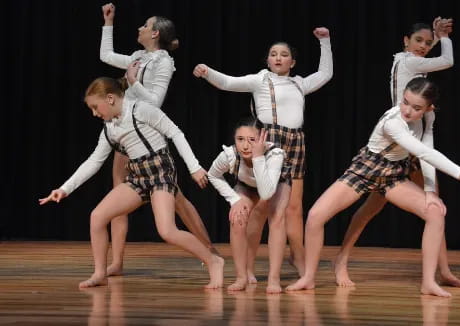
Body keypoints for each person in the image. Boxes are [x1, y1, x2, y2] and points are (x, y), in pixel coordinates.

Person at [286, 77, 460, 297]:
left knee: (435, 212)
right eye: (405, 102)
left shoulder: (428, 117)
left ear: (429, 108)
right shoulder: (393, 121)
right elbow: (424, 153)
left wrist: (430, 192)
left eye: (416, 107)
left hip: (394, 173)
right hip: (368, 168)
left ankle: (429, 282)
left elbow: (426, 149)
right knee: (316, 215)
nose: (408, 110)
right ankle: (309, 277)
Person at [39, 77, 224, 289]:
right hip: (137, 175)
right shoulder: (109, 128)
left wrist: (194, 166)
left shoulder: (141, 110)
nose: (94, 113)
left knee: (167, 230)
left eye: (95, 107)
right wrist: (64, 188)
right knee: (97, 217)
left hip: (160, 171)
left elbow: (175, 132)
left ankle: (213, 261)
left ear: (110, 98)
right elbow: (94, 161)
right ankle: (100, 273)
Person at [333, 18, 460, 288]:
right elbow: (448, 61)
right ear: (405, 41)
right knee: (371, 208)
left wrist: (437, 39)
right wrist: (444, 38)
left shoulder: (412, 64)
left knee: (432, 205)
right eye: (418, 40)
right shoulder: (408, 61)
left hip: (410, 147)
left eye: (428, 43)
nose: (423, 46)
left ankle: (443, 270)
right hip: (395, 147)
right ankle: (341, 259)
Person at [193, 27, 333, 279]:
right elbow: (227, 82)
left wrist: (325, 41)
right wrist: (206, 72)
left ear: (293, 61)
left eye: (284, 54)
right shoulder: (260, 80)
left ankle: (297, 256)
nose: (278, 58)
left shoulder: (299, 83)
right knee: (259, 209)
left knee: (293, 208)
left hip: (295, 142)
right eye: (273, 54)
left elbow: (325, 73)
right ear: (267, 60)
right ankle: (246, 267)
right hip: (267, 140)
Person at [100, 3, 218, 277]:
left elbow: (155, 102)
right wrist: (108, 22)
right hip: (126, 132)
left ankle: (210, 251)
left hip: (147, 135)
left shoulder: (163, 61)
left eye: (145, 25)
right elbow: (105, 54)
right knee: (118, 195)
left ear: (155, 34)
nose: (140, 28)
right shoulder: (137, 56)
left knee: (178, 201)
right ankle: (117, 261)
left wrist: (133, 82)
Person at [207, 117, 289, 293]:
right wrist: (234, 199)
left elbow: (267, 192)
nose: (245, 146)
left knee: (276, 219)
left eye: (252, 140)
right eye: (240, 139)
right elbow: (213, 175)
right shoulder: (230, 155)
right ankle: (241, 276)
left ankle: (274, 278)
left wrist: (258, 157)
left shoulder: (274, 155)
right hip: (246, 187)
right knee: (237, 218)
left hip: (274, 184)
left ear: (262, 138)